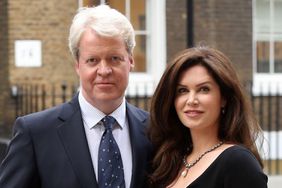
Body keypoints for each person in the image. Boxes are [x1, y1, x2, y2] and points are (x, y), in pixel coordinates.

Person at [0, 5, 152, 188]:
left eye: (114, 58)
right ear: (78, 66)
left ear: (130, 61)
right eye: (92, 60)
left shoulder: (155, 131)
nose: (104, 70)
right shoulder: (35, 133)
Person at [148, 46, 268, 188]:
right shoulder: (169, 161)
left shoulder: (238, 163)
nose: (191, 100)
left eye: (204, 89)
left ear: (224, 98)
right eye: (182, 90)